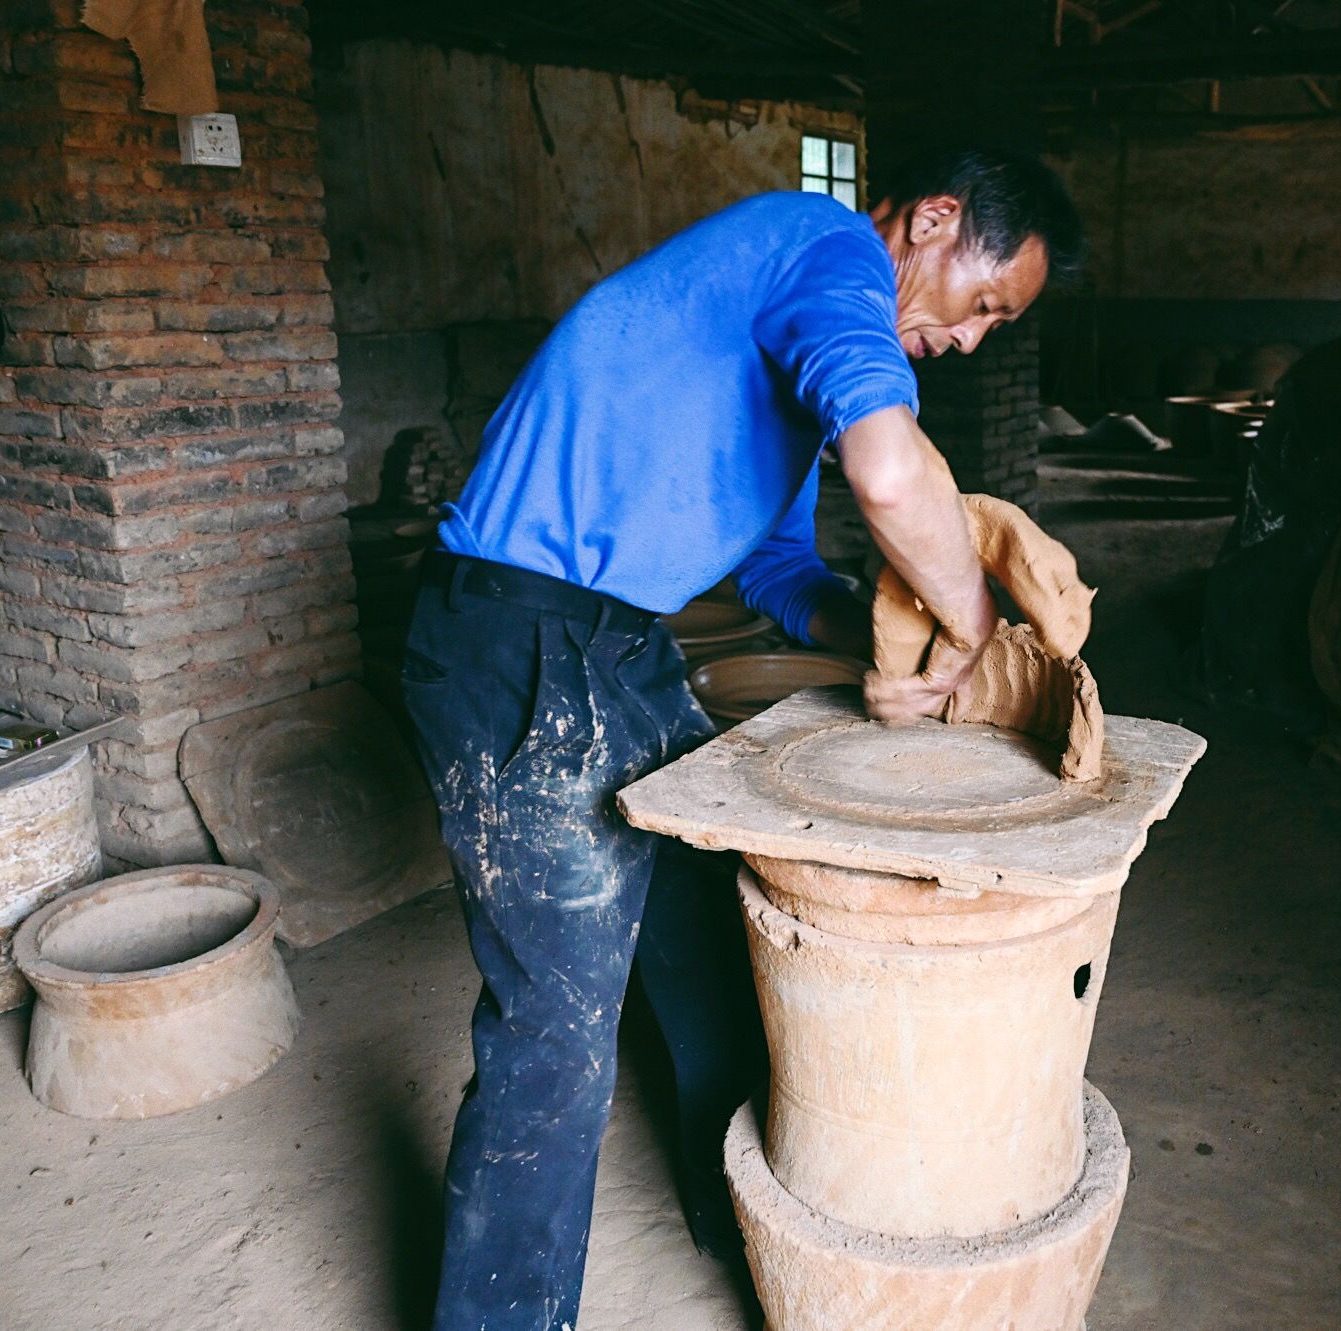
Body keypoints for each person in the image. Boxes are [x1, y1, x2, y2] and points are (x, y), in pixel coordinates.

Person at [398, 146, 1084, 1331]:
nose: (971, 339)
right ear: (930, 221)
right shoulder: (818, 248)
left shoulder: (783, 343)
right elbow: (884, 461)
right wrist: (974, 623)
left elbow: (773, 563)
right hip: (511, 633)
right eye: (981, 306)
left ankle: (745, 1232)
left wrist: (882, 633)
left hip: (614, 645)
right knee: (554, 1035)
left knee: (710, 945)